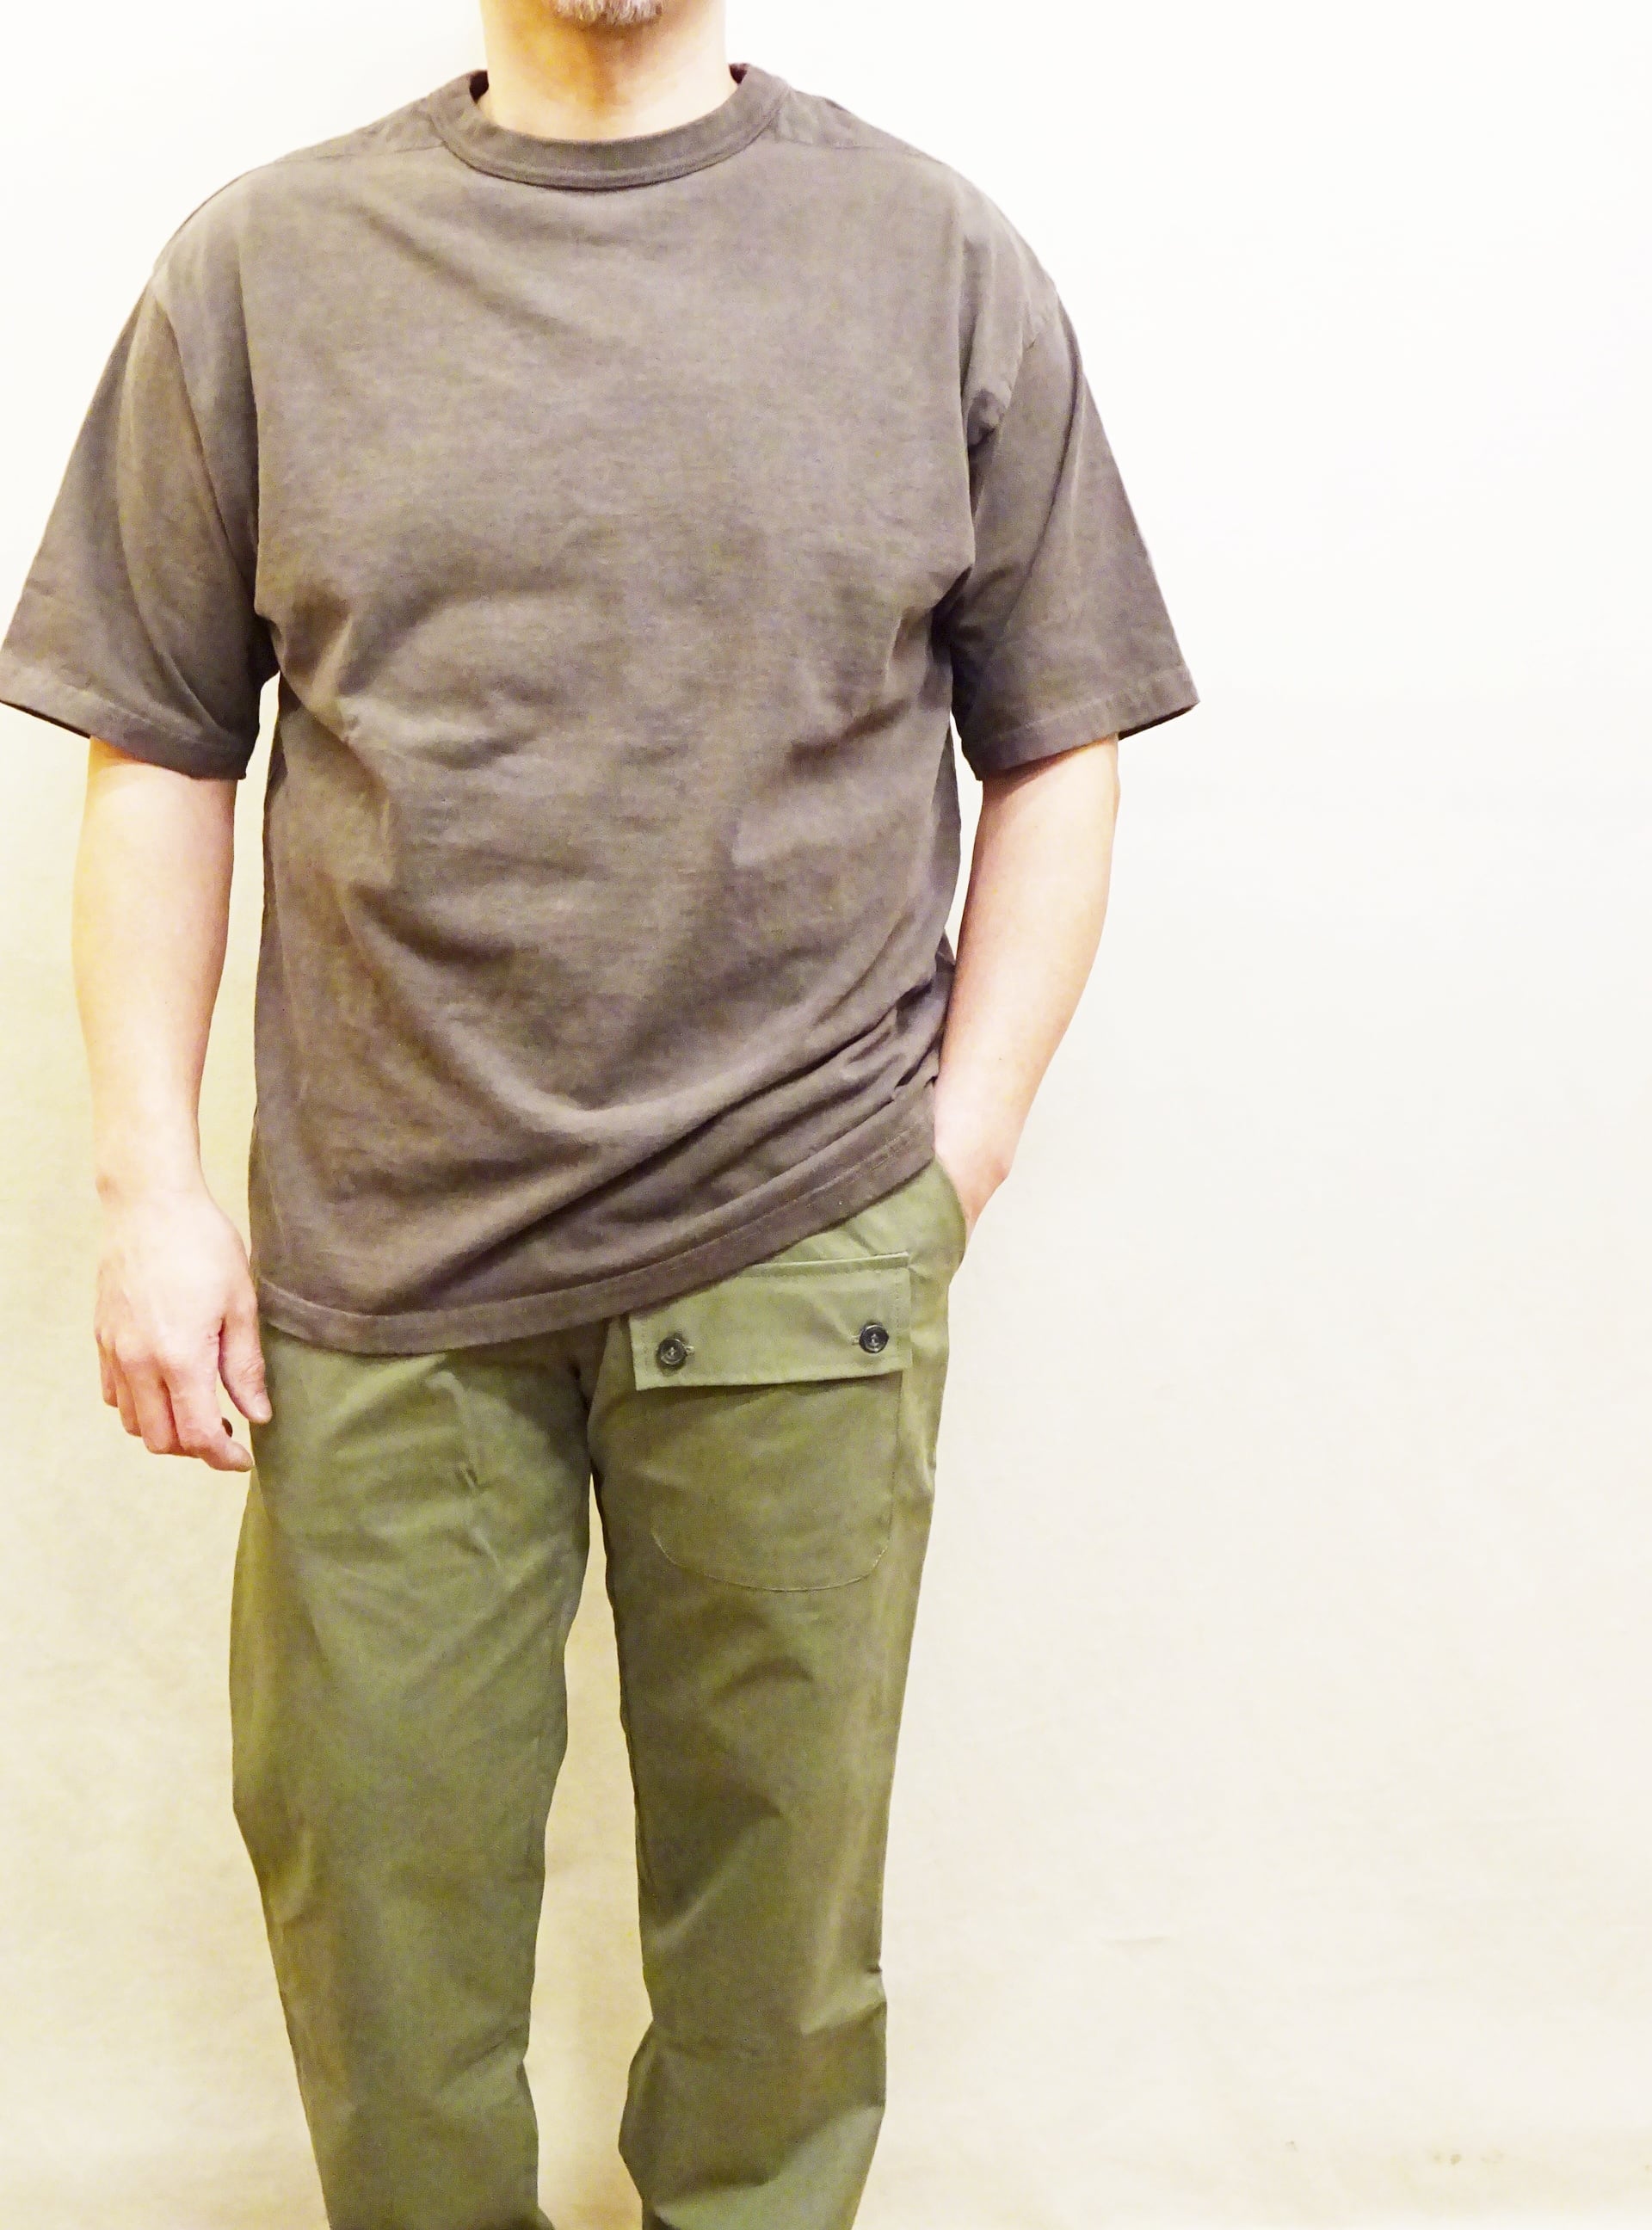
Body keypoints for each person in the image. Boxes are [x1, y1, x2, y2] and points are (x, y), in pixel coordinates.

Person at [0, 0, 1198, 2221]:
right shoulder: (260, 273)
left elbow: (1063, 738)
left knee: (775, 1976)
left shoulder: (935, 265)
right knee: (382, 1951)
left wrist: (954, 1159)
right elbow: (157, 747)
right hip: (385, 1273)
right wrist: (147, 1192)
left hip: (802, 1248)